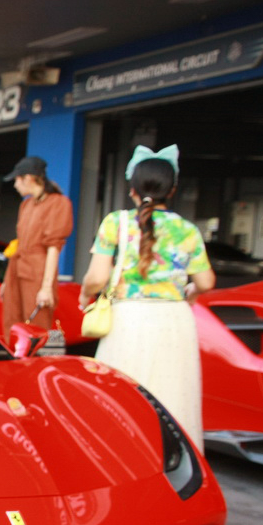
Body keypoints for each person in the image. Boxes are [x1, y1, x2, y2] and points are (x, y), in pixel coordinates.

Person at [81, 146, 214, 439]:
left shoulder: (116, 222)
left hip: (129, 319)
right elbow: (205, 282)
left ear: (132, 190)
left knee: (122, 398)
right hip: (175, 322)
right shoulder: (188, 230)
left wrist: (84, 293)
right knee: (173, 401)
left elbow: (97, 277)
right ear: (174, 189)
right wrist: (189, 292)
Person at [2, 155, 74, 342]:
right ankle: (17, 366)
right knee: (12, 320)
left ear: (28, 178)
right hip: (17, 267)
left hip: (37, 271)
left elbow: (53, 248)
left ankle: (38, 367)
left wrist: (47, 287)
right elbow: (19, 241)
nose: (15, 185)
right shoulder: (26, 204)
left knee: (37, 324)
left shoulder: (58, 203)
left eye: (17, 180)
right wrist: (6, 280)